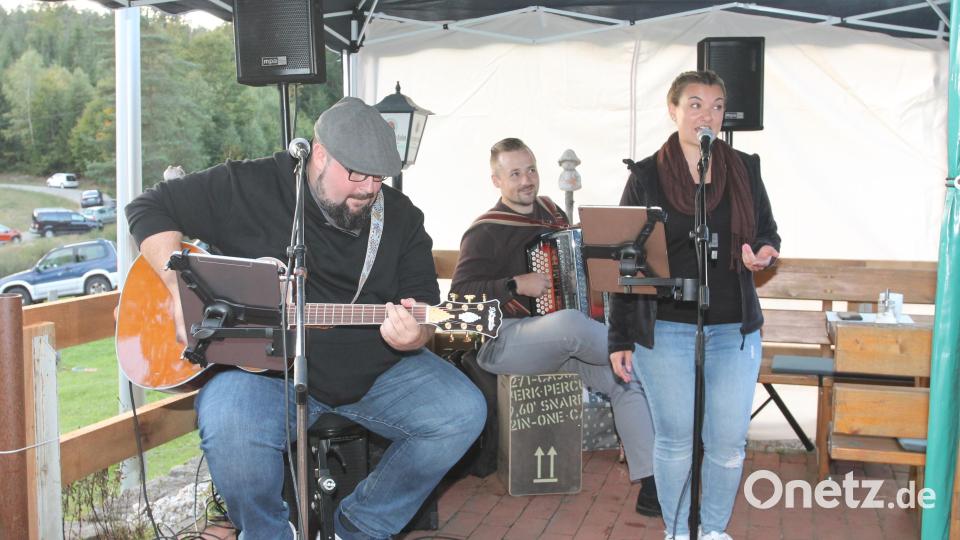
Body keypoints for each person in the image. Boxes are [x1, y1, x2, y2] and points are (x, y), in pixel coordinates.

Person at [126, 97, 486, 540]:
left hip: (370, 371)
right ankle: (268, 533)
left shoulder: (402, 218)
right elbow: (148, 207)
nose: (369, 188)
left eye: (378, 177)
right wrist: (174, 287)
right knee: (229, 426)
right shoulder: (251, 186)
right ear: (319, 153)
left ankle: (361, 524)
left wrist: (415, 336)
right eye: (356, 173)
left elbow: (425, 310)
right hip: (261, 373)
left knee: (462, 412)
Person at [608, 70, 781, 540]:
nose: (708, 114)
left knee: (726, 443)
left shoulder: (745, 168)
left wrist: (763, 252)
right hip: (665, 327)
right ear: (673, 109)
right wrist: (620, 337)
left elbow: (767, 231)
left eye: (718, 105)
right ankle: (678, 532)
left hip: (733, 329)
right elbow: (624, 261)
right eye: (696, 104)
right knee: (675, 442)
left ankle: (713, 531)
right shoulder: (645, 175)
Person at [450, 137, 660, 516]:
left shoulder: (551, 214)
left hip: (561, 344)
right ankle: (658, 363)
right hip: (505, 342)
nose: (527, 179)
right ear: (496, 180)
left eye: (531, 169)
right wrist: (515, 284)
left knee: (622, 379)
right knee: (571, 324)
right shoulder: (485, 231)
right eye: (515, 173)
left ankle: (651, 485)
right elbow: (460, 296)